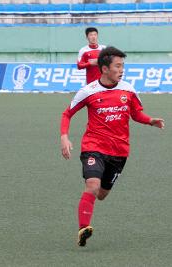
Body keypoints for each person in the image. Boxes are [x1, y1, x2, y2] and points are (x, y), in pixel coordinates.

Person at [61, 46, 165, 246]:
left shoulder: (128, 89)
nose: (121, 69)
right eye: (117, 66)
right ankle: (83, 229)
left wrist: (150, 120)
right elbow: (67, 114)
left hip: (119, 151)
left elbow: (135, 114)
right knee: (92, 185)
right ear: (104, 69)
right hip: (93, 146)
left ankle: (89, 211)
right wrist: (64, 137)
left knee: (101, 194)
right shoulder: (88, 91)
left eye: (123, 65)